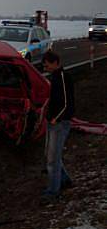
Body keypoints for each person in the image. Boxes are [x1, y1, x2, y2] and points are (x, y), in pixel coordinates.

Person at [41, 50, 75, 204]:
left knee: (52, 160)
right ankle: (65, 181)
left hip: (60, 123)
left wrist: (56, 118)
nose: (45, 67)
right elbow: (54, 99)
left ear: (55, 63)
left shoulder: (62, 77)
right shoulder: (55, 77)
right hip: (53, 122)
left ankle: (53, 192)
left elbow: (67, 102)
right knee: (51, 155)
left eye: (47, 65)